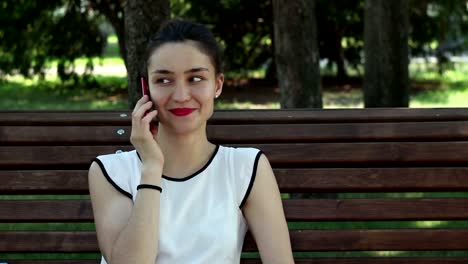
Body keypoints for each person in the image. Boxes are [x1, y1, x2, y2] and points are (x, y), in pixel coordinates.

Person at [88, 19, 294, 264]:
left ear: (217, 85)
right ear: (146, 89)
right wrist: (152, 168)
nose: (181, 96)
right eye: (164, 80)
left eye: (195, 78)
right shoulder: (111, 172)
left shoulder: (245, 167)